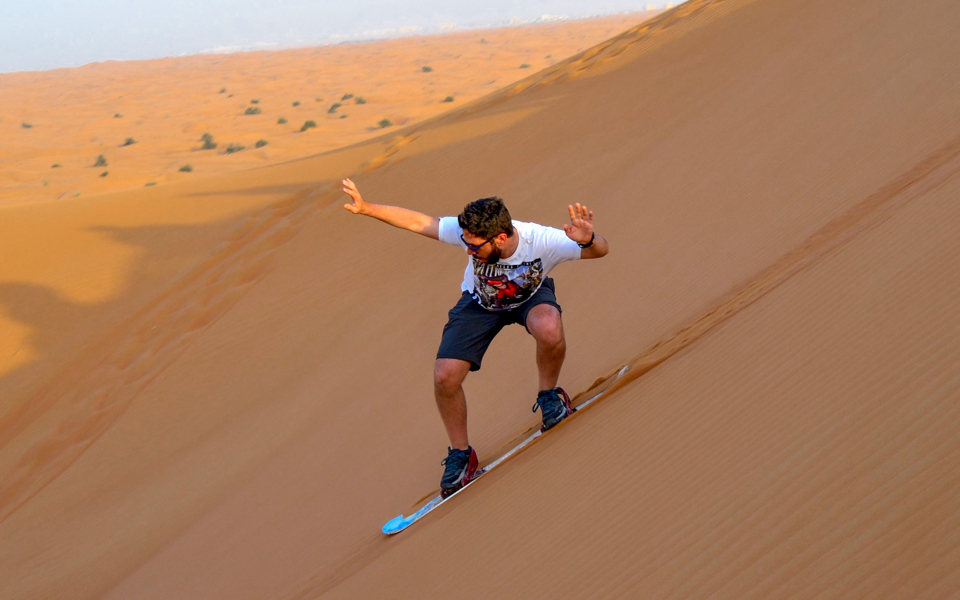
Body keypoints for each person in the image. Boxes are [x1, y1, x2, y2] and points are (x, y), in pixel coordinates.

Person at [342, 178, 609, 496]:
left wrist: (589, 239)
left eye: (474, 245)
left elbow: (600, 252)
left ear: (500, 237)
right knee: (445, 376)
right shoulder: (470, 232)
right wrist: (367, 208)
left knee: (549, 327)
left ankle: (550, 396)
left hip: (530, 298)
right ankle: (461, 455)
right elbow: (418, 221)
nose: (467, 249)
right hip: (479, 304)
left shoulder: (544, 241)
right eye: (465, 242)